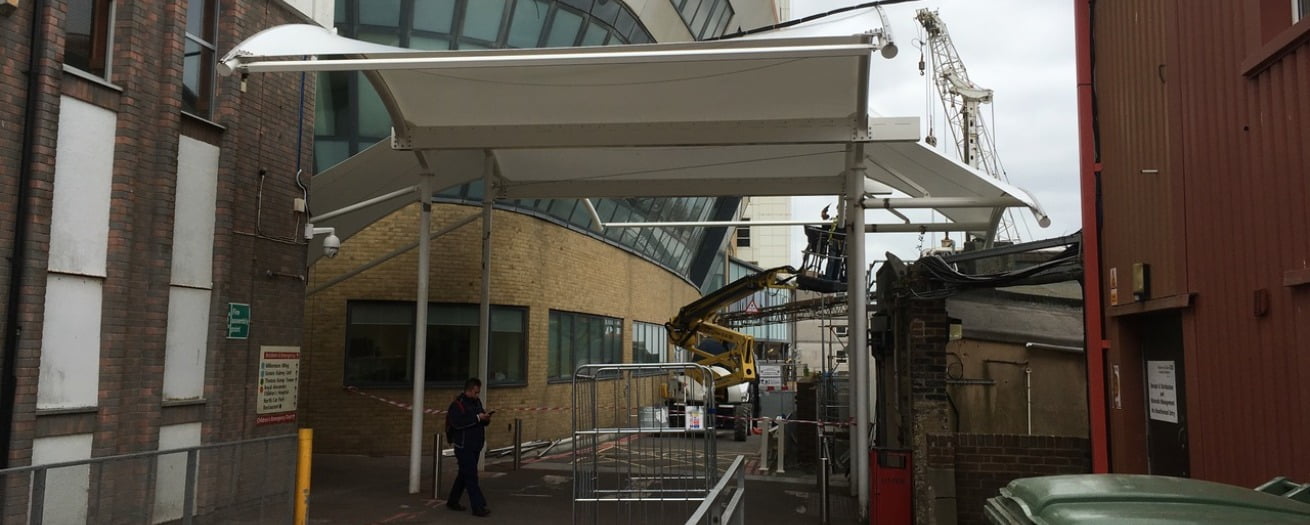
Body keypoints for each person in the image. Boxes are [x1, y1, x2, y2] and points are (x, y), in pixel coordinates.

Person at [446, 377, 492, 517]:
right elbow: (459, 423)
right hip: (463, 446)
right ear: (469, 390)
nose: (477, 395)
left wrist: (485, 419)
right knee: (471, 476)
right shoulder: (457, 405)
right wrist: (477, 418)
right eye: (476, 392)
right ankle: (478, 506)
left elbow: (480, 419)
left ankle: (453, 500)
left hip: (475, 444)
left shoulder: (476, 402)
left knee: (464, 474)